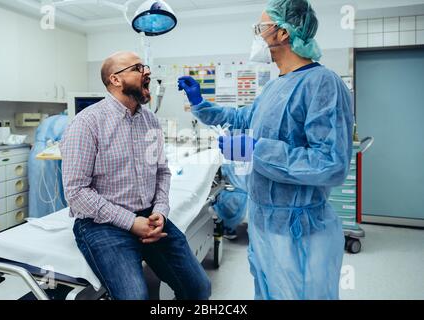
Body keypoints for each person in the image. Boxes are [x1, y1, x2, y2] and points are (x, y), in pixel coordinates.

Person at [178, 0, 353, 300]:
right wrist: (199, 103)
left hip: (298, 230)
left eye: (261, 27)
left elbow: (330, 163)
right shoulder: (275, 87)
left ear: (283, 33)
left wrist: (255, 149)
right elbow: (240, 118)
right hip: (264, 222)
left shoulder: (322, 83)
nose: (257, 35)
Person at [60, 51, 211, 300]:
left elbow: (162, 171)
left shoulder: (150, 121)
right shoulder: (86, 123)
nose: (147, 72)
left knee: (198, 289)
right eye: (138, 68)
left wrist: (160, 211)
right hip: (101, 225)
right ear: (116, 80)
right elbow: (76, 192)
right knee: (134, 297)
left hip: (149, 217)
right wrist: (130, 223)